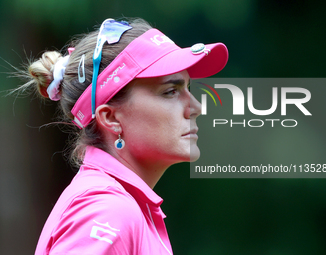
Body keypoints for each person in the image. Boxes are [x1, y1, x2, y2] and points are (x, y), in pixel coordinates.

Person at [18, 17, 228, 254]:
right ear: (110, 118)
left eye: (187, 89)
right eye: (170, 91)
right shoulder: (109, 210)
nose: (196, 107)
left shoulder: (125, 206)